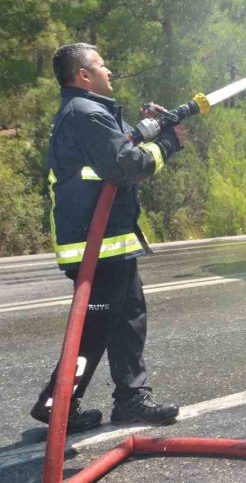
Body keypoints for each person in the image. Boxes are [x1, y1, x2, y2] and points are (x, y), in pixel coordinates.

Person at [30, 43, 182, 433]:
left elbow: (116, 149)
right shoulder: (86, 113)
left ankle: (131, 398)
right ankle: (56, 402)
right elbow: (123, 165)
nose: (109, 71)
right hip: (94, 244)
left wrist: (149, 128)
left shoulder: (86, 112)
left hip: (109, 241)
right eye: (101, 66)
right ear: (83, 75)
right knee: (94, 326)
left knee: (127, 318)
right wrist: (168, 143)